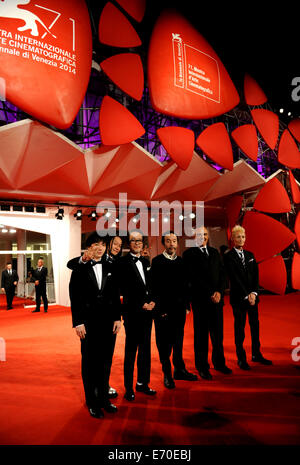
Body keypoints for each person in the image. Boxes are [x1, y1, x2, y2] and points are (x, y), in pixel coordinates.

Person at [68, 232, 122, 419]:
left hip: (109, 323)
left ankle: (104, 399)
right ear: (89, 247)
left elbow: (115, 295)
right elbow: (74, 297)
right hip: (89, 323)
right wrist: (78, 322)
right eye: (96, 244)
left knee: (106, 361)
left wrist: (117, 318)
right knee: (90, 363)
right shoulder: (79, 269)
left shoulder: (111, 266)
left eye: (103, 244)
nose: (100, 247)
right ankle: (92, 402)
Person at [182, 226, 232, 380]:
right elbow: (192, 278)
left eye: (204, 234)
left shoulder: (215, 252)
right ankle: (202, 366)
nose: (202, 237)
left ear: (208, 236)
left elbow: (223, 274)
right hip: (200, 302)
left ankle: (219, 363)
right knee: (201, 336)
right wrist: (211, 292)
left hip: (217, 301)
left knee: (218, 335)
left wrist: (219, 291)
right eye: (199, 234)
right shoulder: (188, 254)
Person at [151, 231, 197, 389]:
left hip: (179, 310)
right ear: (164, 243)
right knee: (164, 343)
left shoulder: (181, 262)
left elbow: (186, 286)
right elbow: (154, 288)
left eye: (174, 241)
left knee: (178, 340)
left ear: (177, 243)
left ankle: (179, 369)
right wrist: (159, 310)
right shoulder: (156, 261)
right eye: (168, 241)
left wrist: (186, 305)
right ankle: (167, 374)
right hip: (163, 311)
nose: (172, 244)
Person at [114, 230, 156, 401]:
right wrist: (141, 304)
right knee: (131, 352)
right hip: (132, 314)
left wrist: (153, 301)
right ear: (128, 243)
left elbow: (151, 285)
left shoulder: (146, 261)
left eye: (140, 240)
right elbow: (123, 290)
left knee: (145, 351)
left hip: (148, 314)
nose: (137, 243)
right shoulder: (122, 263)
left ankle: (143, 383)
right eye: (134, 240)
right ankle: (128, 387)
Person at [224, 225, 272, 370]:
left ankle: (256, 354)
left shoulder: (250, 255)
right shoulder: (228, 256)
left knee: (255, 326)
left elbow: (256, 277)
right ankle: (241, 358)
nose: (241, 239)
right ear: (232, 239)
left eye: (243, 236)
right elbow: (234, 278)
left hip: (253, 298)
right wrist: (246, 295)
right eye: (238, 237)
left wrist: (254, 293)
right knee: (240, 328)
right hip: (239, 299)